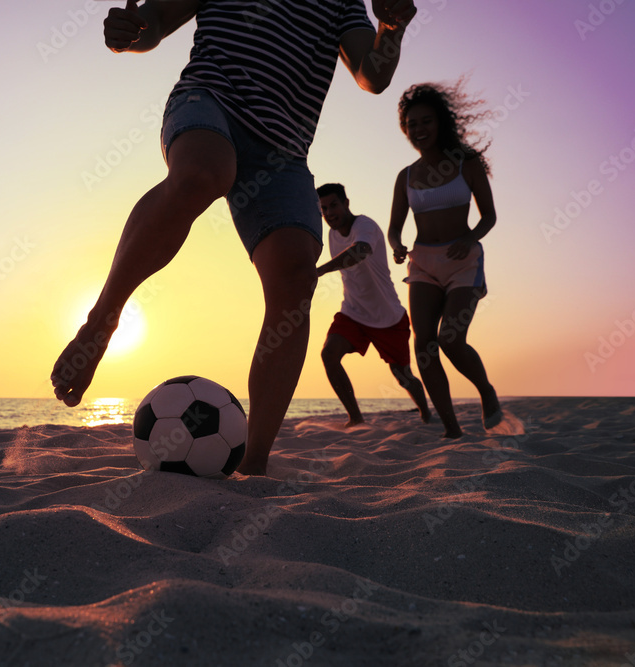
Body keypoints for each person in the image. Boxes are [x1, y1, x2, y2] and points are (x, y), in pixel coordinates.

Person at [51, 0, 418, 475]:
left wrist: (390, 27)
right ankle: (102, 321)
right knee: (203, 173)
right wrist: (131, 33)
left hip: (283, 152)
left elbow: (373, 74)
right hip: (209, 101)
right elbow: (157, 22)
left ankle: (254, 466)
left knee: (295, 280)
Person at [387, 79, 501, 438]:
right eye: (412, 124)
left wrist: (469, 238)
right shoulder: (405, 176)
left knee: (451, 339)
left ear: (441, 123)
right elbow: (394, 228)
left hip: (463, 260)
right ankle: (452, 429)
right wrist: (397, 245)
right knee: (423, 344)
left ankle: (486, 391)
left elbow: (489, 217)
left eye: (426, 121)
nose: (418, 129)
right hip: (423, 263)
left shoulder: (466, 162)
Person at [315, 183, 430, 427]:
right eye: (323, 209)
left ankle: (427, 414)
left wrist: (321, 270)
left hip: (388, 317)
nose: (329, 213)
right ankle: (355, 418)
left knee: (402, 375)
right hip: (352, 313)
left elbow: (361, 250)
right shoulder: (332, 234)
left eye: (333, 205)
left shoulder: (364, 225)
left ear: (346, 203)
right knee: (329, 354)